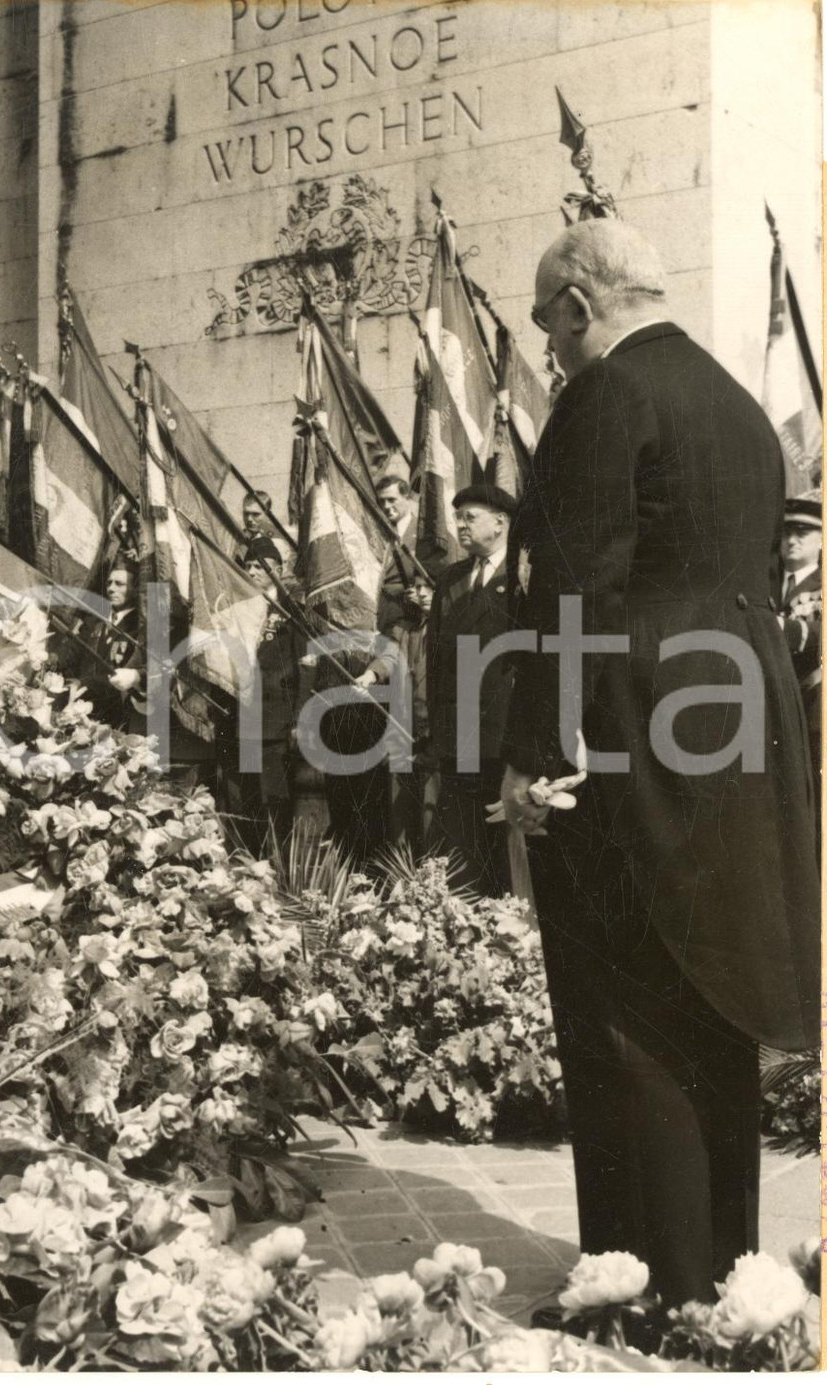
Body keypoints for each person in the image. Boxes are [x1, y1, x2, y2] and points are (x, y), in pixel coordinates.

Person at [500, 218, 819, 1310]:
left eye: (546, 321)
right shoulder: (733, 403)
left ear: (580, 306)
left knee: (621, 1008)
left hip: (628, 742)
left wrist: (536, 754)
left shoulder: (606, 394)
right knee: (705, 998)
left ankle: (634, 1282)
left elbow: (574, 587)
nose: (546, 346)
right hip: (734, 734)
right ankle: (714, 1266)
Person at [426, 483, 516, 896]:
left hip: (505, 733)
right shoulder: (451, 579)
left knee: (504, 852)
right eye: (457, 517)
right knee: (462, 851)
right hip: (456, 734)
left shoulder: (522, 574)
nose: (459, 525)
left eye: (470, 517)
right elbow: (437, 661)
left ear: (500, 522)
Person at [221, 535, 302, 853]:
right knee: (245, 803)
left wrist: (300, 717)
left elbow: (303, 666)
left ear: (279, 570)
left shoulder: (291, 611)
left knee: (276, 804)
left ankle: (278, 878)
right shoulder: (234, 608)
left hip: (275, 721)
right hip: (239, 718)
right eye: (249, 565)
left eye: (262, 566)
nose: (253, 572)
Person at [355, 573, 437, 855]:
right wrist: (370, 674)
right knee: (401, 815)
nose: (422, 593)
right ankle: (403, 882)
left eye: (429, 586)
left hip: (434, 734)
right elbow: (388, 656)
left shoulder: (451, 628)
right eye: (417, 587)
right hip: (403, 730)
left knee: (431, 813)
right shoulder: (404, 629)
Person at [779, 490, 822, 844]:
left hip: (813, 704)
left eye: (802, 534)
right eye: (786, 533)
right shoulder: (765, 582)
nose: (792, 541)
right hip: (775, 703)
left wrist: (783, 629)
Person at [73, 560, 144, 730]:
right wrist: (52, 658)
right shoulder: (95, 619)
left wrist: (85, 683)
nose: (111, 588)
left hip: (111, 719)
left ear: (135, 589)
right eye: (109, 583)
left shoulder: (139, 630)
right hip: (76, 708)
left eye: (119, 584)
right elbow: (73, 650)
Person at [376, 475, 418, 635]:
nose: (386, 506)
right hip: (376, 616)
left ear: (407, 497)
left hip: (406, 619)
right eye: (381, 501)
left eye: (391, 499)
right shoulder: (375, 532)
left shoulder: (422, 534)